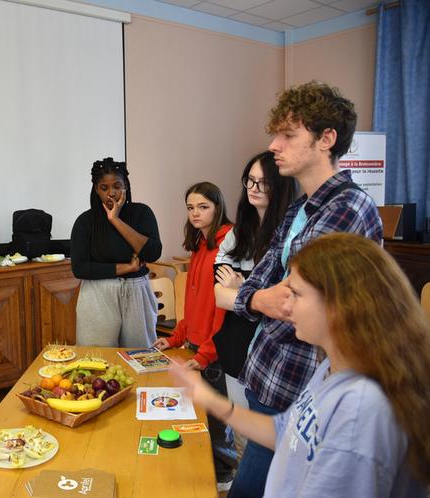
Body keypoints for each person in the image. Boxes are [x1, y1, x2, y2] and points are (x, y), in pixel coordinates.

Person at [172, 233, 430, 498]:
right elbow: (286, 431)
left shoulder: (360, 410)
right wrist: (208, 399)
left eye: (295, 293)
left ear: (339, 305)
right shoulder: (332, 367)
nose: (284, 304)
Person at [229, 81, 383, 497]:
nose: (274, 144)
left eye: (289, 135)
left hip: (298, 383)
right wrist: (255, 297)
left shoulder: (350, 209)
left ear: (326, 139)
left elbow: (290, 303)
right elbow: (263, 284)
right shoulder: (300, 207)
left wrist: (247, 298)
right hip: (266, 371)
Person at [151, 181, 235, 489]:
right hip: (196, 343)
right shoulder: (199, 245)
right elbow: (194, 303)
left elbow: (222, 312)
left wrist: (204, 353)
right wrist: (175, 337)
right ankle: (212, 464)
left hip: (212, 348)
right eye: (190, 207)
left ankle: (225, 473)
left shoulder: (226, 246)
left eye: (203, 207)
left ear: (217, 207)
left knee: (215, 412)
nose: (195, 213)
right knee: (199, 411)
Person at [212, 151, 296, 445]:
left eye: (263, 182)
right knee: (240, 436)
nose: (253, 188)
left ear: (281, 185)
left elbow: (283, 299)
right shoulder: (237, 233)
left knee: (267, 443)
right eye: (250, 180)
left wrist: (242, 286)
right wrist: (251, 293)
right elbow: (220, 295)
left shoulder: (290, 233)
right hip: (236, 344)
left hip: (273, 351)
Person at [71, 157, 162, 348]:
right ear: (96, 189)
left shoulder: (142, 213)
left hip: (137, 292)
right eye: (104, 188)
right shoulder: (85, 222)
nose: (111, 193)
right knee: (98, 359)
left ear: (126, 186)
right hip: (98, 295)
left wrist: (115, 220)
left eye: (117, 186)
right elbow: (80, 268)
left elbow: (153, 252)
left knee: (140, 356)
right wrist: (127, 268)